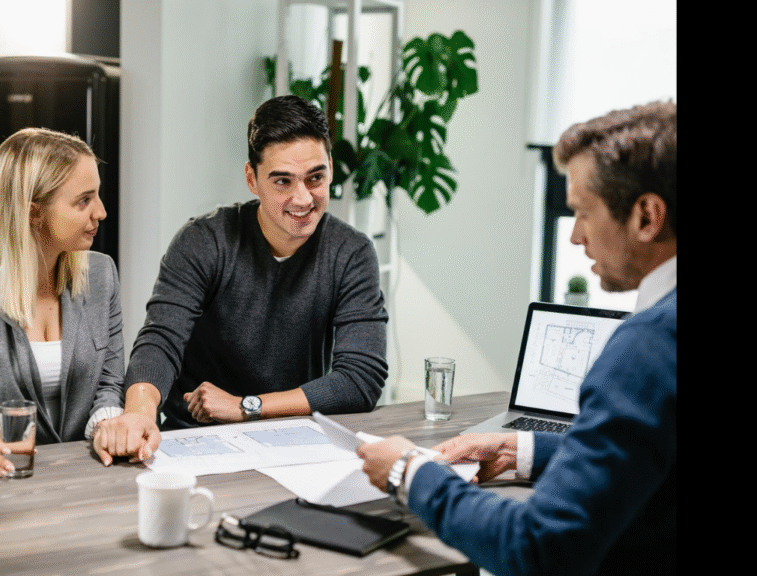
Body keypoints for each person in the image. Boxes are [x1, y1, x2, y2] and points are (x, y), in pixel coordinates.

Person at [357, 100, 676, 576]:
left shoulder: (648, 347)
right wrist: (516, 450)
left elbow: (537, 550)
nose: (574, 238)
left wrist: (410, 473)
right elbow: (651, 459)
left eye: (583, 214)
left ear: (647, 216)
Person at [93, 95, 389, 465]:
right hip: (196, 438)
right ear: (252, 179)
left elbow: (361, 378)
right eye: (283, 181)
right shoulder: (204, 241)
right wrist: (138, 410)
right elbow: (161, 339)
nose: (303, 198)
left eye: (316, 177)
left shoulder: (351, 252)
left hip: (295, 439)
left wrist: (247, 407)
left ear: (330, 168)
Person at [0, 127, 125, 478]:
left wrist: (109, 426)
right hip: (3, 479)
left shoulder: (101, 275)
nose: (101, 212)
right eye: (83, 200)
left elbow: (109, 384)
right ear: (33, 213)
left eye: (98, 196)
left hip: (90, 474)